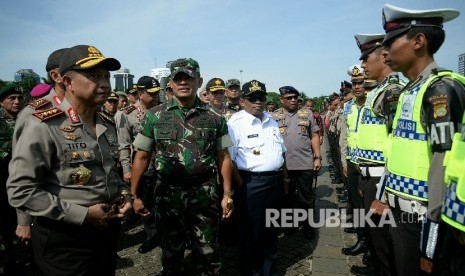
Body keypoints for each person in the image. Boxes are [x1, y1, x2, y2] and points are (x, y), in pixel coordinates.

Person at [7, 44, 132, 275]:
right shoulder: (43, 124)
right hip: (65, 237)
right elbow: (20, 190)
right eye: (94, 76)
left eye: (106, 76)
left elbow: (108, 170)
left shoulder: (104, 121)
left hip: (106, 230)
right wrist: (83, 215)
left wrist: (124, 195)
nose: (104, 83)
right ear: (67, 82)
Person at [369, 4, 465, 275]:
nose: (384, 51)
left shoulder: (441, 89)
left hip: (423, 219)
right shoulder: (412, 91)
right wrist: (383, 196)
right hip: (402, 212)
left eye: (391, 41)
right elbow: (395, 149)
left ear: (419, 41)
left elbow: (443, 164)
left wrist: (431, 242)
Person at [130, 58, 233, 275]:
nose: (183, 82)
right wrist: (135, 195)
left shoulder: (215, 117)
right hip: (168, 195)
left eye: (189, 77)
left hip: (205, 194)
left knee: (208, 254)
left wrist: (226, 194)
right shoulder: (155, 116)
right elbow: (141, 156)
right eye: (178, 78)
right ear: (171, 83)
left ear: (199, 81)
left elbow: (223, 157)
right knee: (171, 254)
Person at [349, 33, 405, 276]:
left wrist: (384, 190)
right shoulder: (378, 92)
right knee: (375, 236)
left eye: (365, 57)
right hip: (369, 174)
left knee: (384, 242)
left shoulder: (392, 92)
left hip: (382, 178)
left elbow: (398, 144)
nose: (362, 65)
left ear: (384, 56)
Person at [227, 80, 287, 276]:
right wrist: (241, 184)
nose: (258, 102)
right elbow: (230, 160)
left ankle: (269, 269)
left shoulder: (271, 120)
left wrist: (284, 180)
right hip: (251, 183)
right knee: (250, 232)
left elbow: (281, 152)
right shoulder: (235, 124)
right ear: (243, 100)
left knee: (271, 229)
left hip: (275, 182)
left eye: (261, 97)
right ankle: (251, 270)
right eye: (252, 98)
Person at [116, 76, 161, 254]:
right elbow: (123, 144)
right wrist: (127, 170)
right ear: (140, 94)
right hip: (142, 167)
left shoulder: (163, 110)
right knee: (145, 204)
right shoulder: (126, 114)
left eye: (158, 93)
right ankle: (151, 237)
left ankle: (165, 235)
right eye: (152, 94)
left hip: (162, 165)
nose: (156, 96)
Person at [273, 86, 321, 240]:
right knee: (287, 198)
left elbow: (314, 135)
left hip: (304, 163)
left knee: (305, 197)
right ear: (282, 100)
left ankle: (307, 225)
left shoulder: (306, 114)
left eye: (295, 97)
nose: (293, 100)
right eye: (289, 98)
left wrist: (318, 157)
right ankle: (291, 224)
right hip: (284, 166)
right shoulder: (274, 116)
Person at [340, 65, 367, 256]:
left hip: (370, 163)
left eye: (361, 82)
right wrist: (344, 161)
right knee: (357, 205)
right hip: (352, 161)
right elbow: (346, 136)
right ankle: (362, 240)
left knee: (369, 209)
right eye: (355, 83)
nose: (357, 86)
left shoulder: (375, 103)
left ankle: (371, 247)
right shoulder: (348, 106)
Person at [0, 84, 25, 273]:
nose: (17, 102)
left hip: (21, 178)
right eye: (12, 98)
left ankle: (18, 255)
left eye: (19, 98)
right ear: (2, 101)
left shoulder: (25, 119)